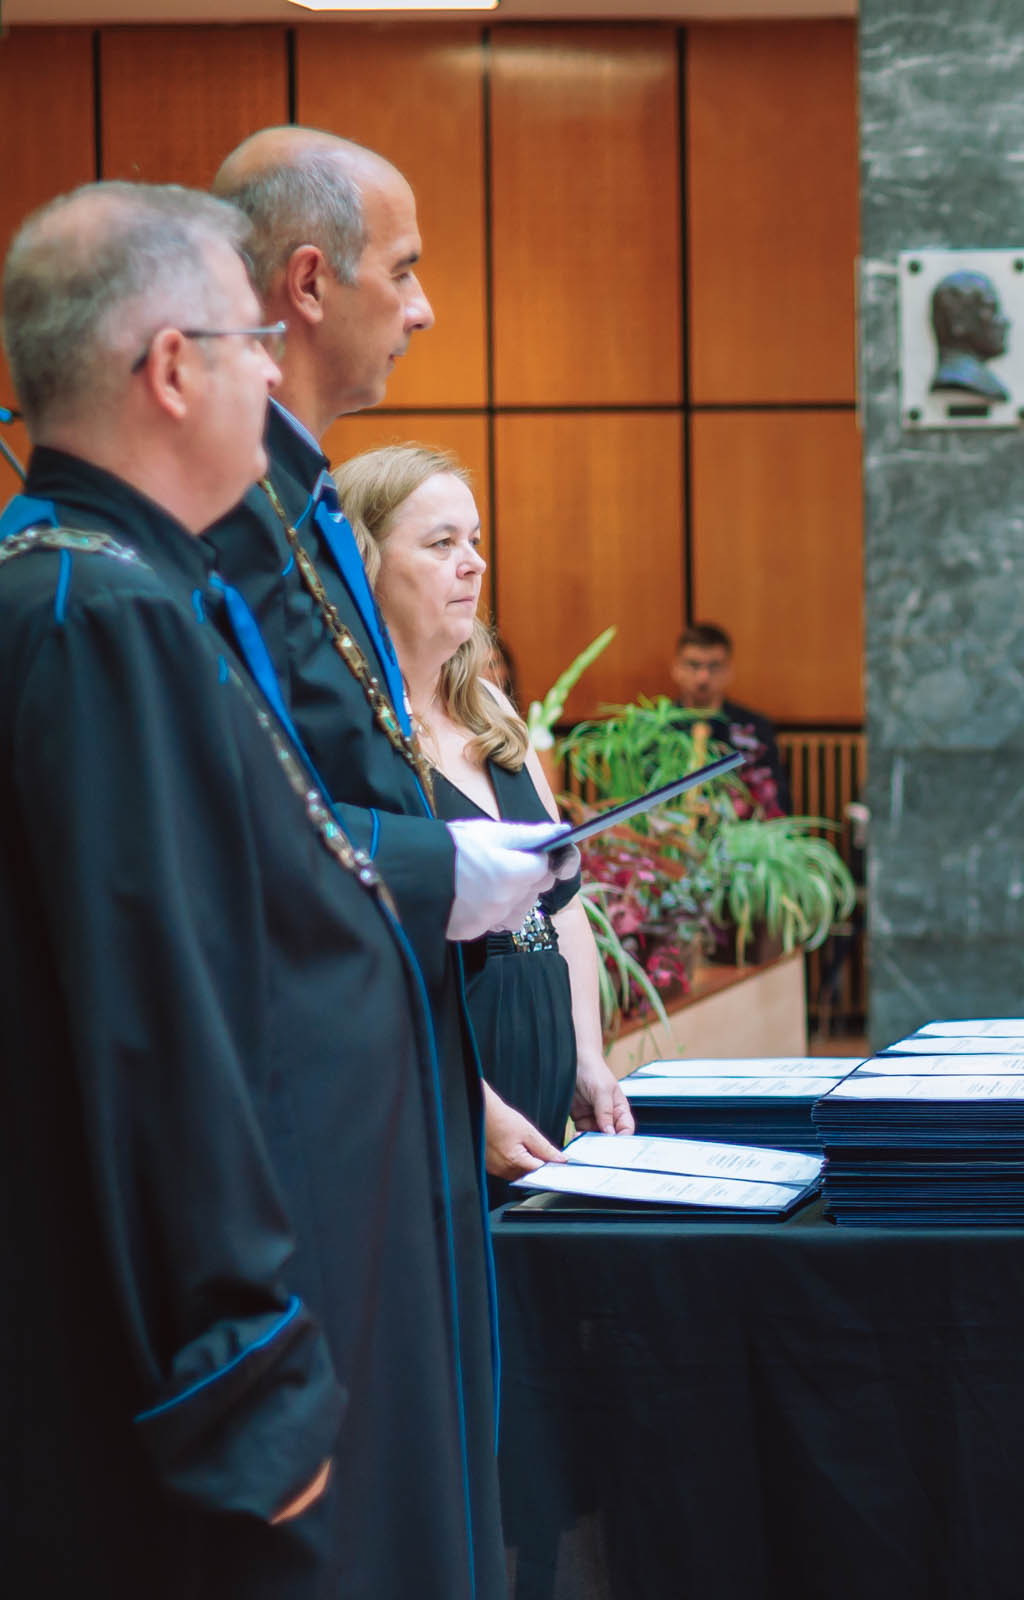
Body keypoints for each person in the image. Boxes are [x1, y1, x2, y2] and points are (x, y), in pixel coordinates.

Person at [0, 182, 554, 1596]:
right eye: (250, 344)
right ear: (172, 369)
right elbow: (162, 1020)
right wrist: (244, 1366)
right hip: (184, 1356)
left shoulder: (112, 584)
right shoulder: (99, 611)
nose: (272, 377)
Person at [201, 127, 551, 1597]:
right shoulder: (216, 516)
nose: (422, 308)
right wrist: (438, 870)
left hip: (399, 1055)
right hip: (319, 1088)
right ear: (306, 282)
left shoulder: (293, 493)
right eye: (402, 272)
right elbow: (245, 824)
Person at [338, 443, 635, 1201]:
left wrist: (586, 1054)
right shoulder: (348, 736)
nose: (474, 563)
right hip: (439, 1074)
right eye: (442, 544)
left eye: (474, 540)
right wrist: (467, 1101)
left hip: (540, 1051)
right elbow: (353, 962)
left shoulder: (491, 709)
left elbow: (562, 904)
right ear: (363, 563)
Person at [671, 618, 791, 815]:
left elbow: (777, 801)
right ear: (676, 669)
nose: (703, 677)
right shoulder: (655, 730)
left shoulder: (754, 728)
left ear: (728, 671)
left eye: (714, 666)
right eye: (693, 665)